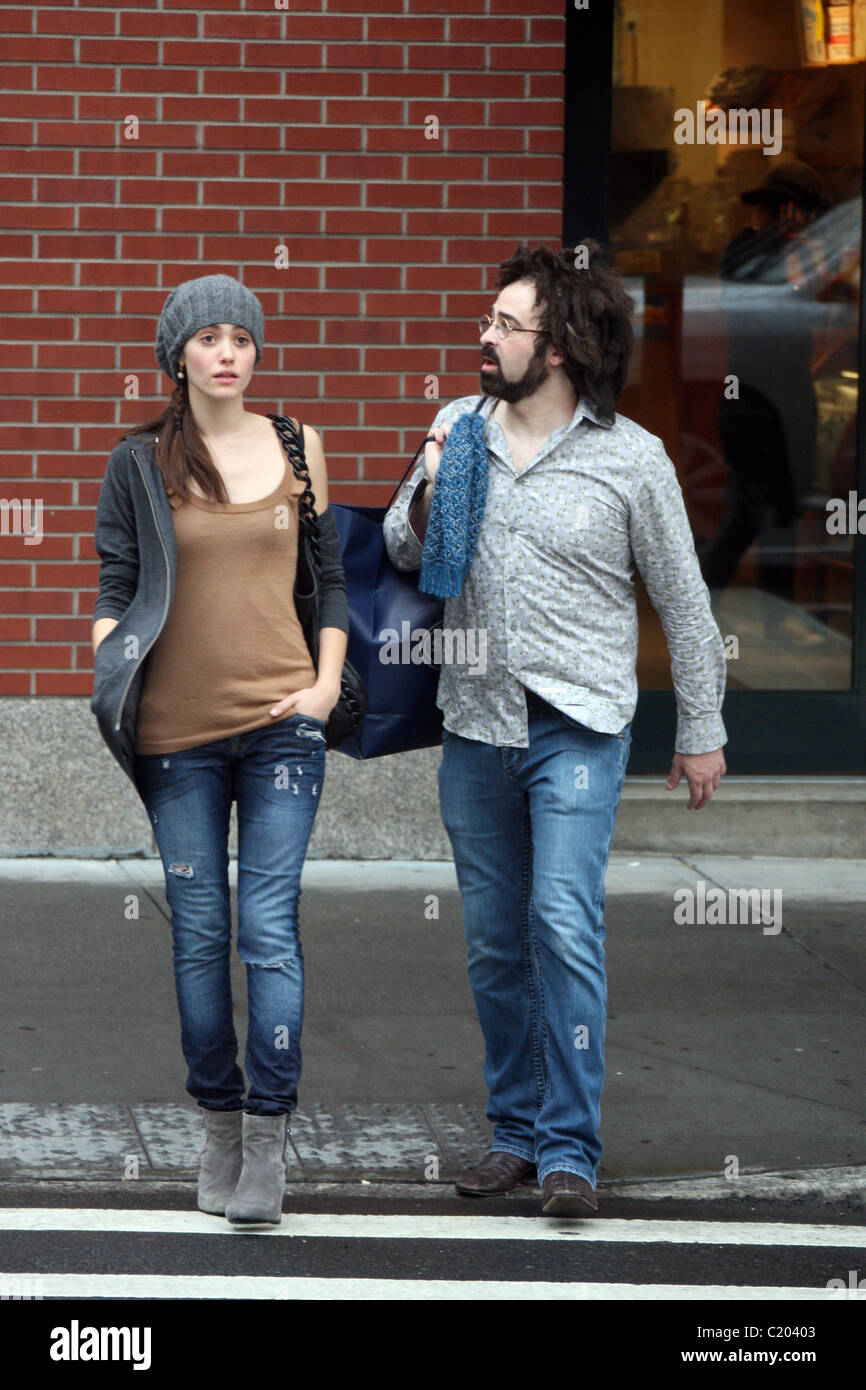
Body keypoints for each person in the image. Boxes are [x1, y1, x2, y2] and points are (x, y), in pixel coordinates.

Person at [383, 242, 728, 1216]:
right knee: (495, 943)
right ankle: (515, 1132)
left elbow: (683, 602)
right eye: (486, 321)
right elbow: (405, 552)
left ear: (563, 345)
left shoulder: (630, 459)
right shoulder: (459, 425)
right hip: (475, 725)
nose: (482, 336)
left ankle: (570, 1146)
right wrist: (430, 480)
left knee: (560, 923)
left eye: (504, 324)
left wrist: (698, 728)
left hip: (578, 726)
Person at [90, 274, 349, 1226]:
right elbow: (116, 579)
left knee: (267, 928)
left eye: (243, 337)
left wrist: (324, 689)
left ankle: (272, 1133)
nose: (229, 352)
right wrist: (108, 660)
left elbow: (330, 581)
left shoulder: (295, 444)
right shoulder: (139, 460)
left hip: (284, 723)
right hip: (175, 736)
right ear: (180, 357)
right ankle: (220, 1123)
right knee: (201, 933)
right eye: (210, 339)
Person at [699, 161, 833, 640]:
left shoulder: (780, 251)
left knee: (782, 509)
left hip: (786, 389)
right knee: (751, 507)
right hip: (754, 393)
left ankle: (779, 619)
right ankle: (697, 606)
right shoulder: (751, 251)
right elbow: (794, 292)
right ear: (792, 210)